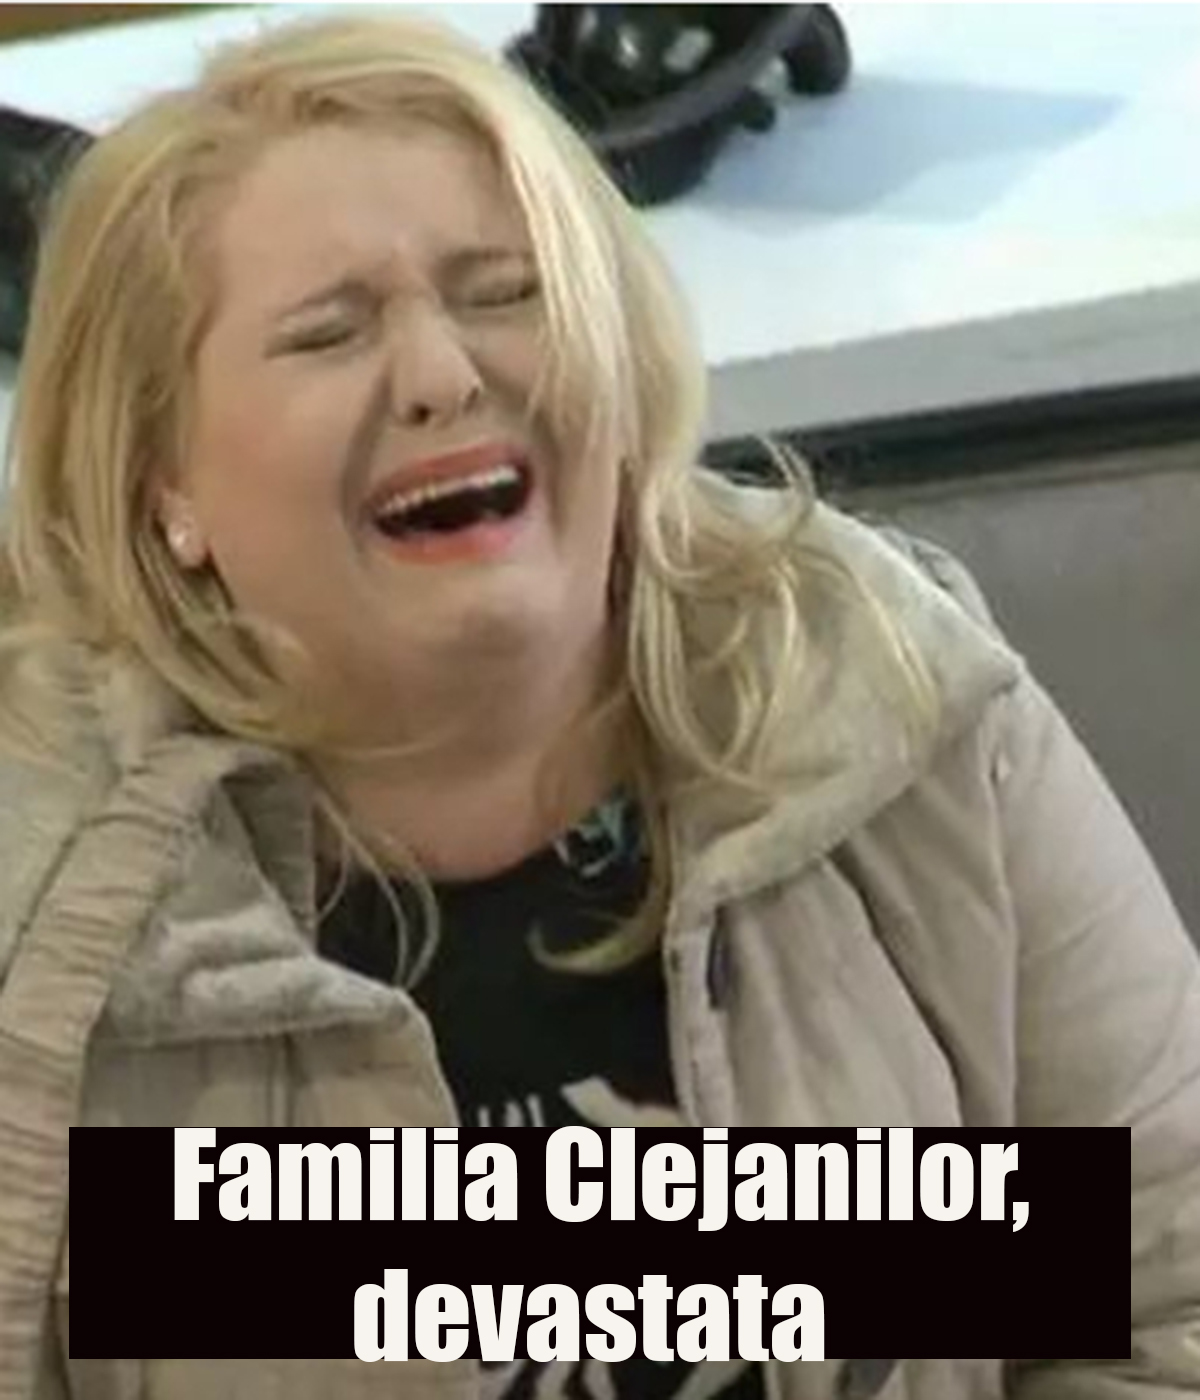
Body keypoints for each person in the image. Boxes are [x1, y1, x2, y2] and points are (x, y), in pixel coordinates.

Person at [0, 13, 1195, 1400]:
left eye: (506, 294)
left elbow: (1163, 1304)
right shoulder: (36, 864)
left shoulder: (887, 686)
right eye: (328, 333)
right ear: (164, 485)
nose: (446, 375)